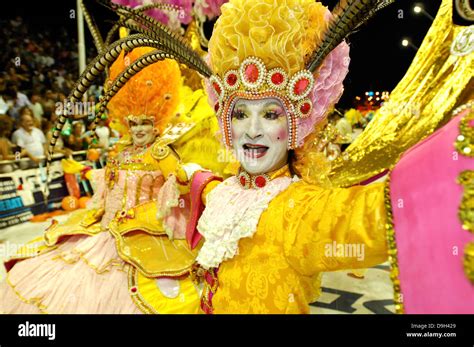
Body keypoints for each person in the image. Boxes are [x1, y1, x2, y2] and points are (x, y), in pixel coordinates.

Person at [0, 47, 202, 313]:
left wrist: (193, 178)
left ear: (156, 123)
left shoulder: (161, 152)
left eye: (145, 123)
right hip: (106, 229)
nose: (139, 129)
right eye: (134, 123)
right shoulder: (121, 151)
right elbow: (109, 182)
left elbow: (180, 184)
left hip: (145, 235)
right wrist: (82, 171)